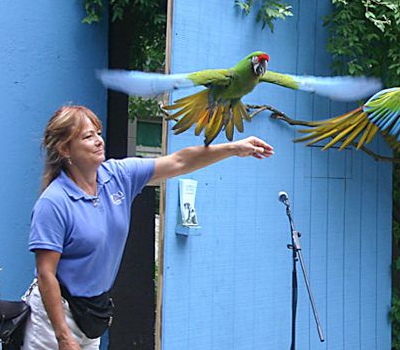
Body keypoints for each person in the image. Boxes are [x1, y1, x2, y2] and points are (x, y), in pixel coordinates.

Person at [22, 105, 274, 350]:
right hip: (55, 318)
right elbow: (46, 274)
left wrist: (233, 148)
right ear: (65, 149)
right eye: (88, 136)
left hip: (93, 314)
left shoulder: (118, 176)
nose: (99, 140)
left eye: (98, 133)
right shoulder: (54, 202)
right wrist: (63, 337)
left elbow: (179, 161)